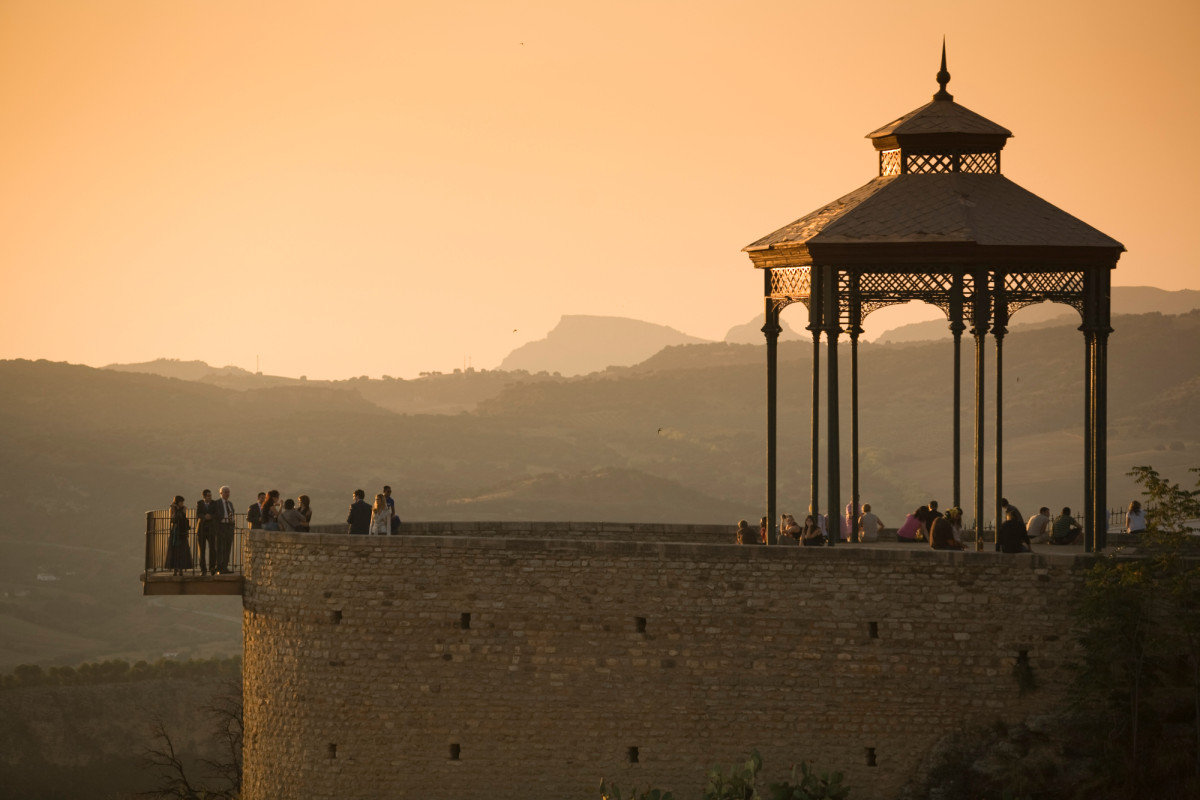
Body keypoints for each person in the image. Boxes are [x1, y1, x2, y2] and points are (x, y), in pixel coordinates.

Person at [165, 495, 193, 576]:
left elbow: (183, 517)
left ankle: (181, 569)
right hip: (176, 531)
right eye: (181, 502)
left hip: (182, 530)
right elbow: (173, 519)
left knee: (182, 550)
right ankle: (175, 569)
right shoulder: (173, 508)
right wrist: (175, 510)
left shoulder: (183, 508)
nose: (182, 503)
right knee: (175, 550)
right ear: (177, 502)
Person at [195, 489, 219, 576]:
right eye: (208, 496)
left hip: (211, 529)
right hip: (201, 529)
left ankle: (212, 567)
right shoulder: (200, 503)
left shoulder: (214, 503)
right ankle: (203, 569)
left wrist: (211, 516)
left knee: (212, 549)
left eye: (210, 495)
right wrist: (205, 517)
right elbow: (198, 514)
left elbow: (217, 514)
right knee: (202, 550)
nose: (210, 497)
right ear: (204, 496)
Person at [216, 486, 236, 575]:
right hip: (221, 527)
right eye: (225, 492)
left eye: (228, 492)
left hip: (229, 527)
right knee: (221, 547)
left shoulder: (230, 504)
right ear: (221, 493)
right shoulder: (217, 503)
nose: (227, 494)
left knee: (228, 547)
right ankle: (219, 567)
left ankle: (225, 567)